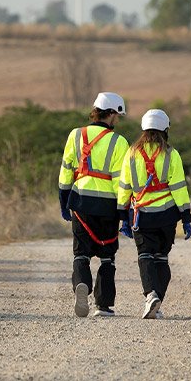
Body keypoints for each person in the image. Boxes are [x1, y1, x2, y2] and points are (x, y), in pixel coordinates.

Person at [58, 92, 130, 318]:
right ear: (110, 114)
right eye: (117, 115)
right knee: (108, 256)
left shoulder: (75, 135)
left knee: (81, 252)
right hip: (108, 205)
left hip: (80, 201)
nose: (117, 120)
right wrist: (124, 211)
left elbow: (66, 170)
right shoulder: (119, 142)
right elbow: (122, 180)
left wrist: (64, 200)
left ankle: (82, 284)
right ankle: (104, 305)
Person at [117, 108, 191, 319]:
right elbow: (179, 188)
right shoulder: (172, 154)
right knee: (161, 258)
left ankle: (151, 295)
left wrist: (123, 216)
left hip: (142, 215)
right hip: (167, 216)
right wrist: (186, 216)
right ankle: (156, 298)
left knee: (145, 256)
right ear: (165, 129)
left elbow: (124, 186)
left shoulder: (131, 153)